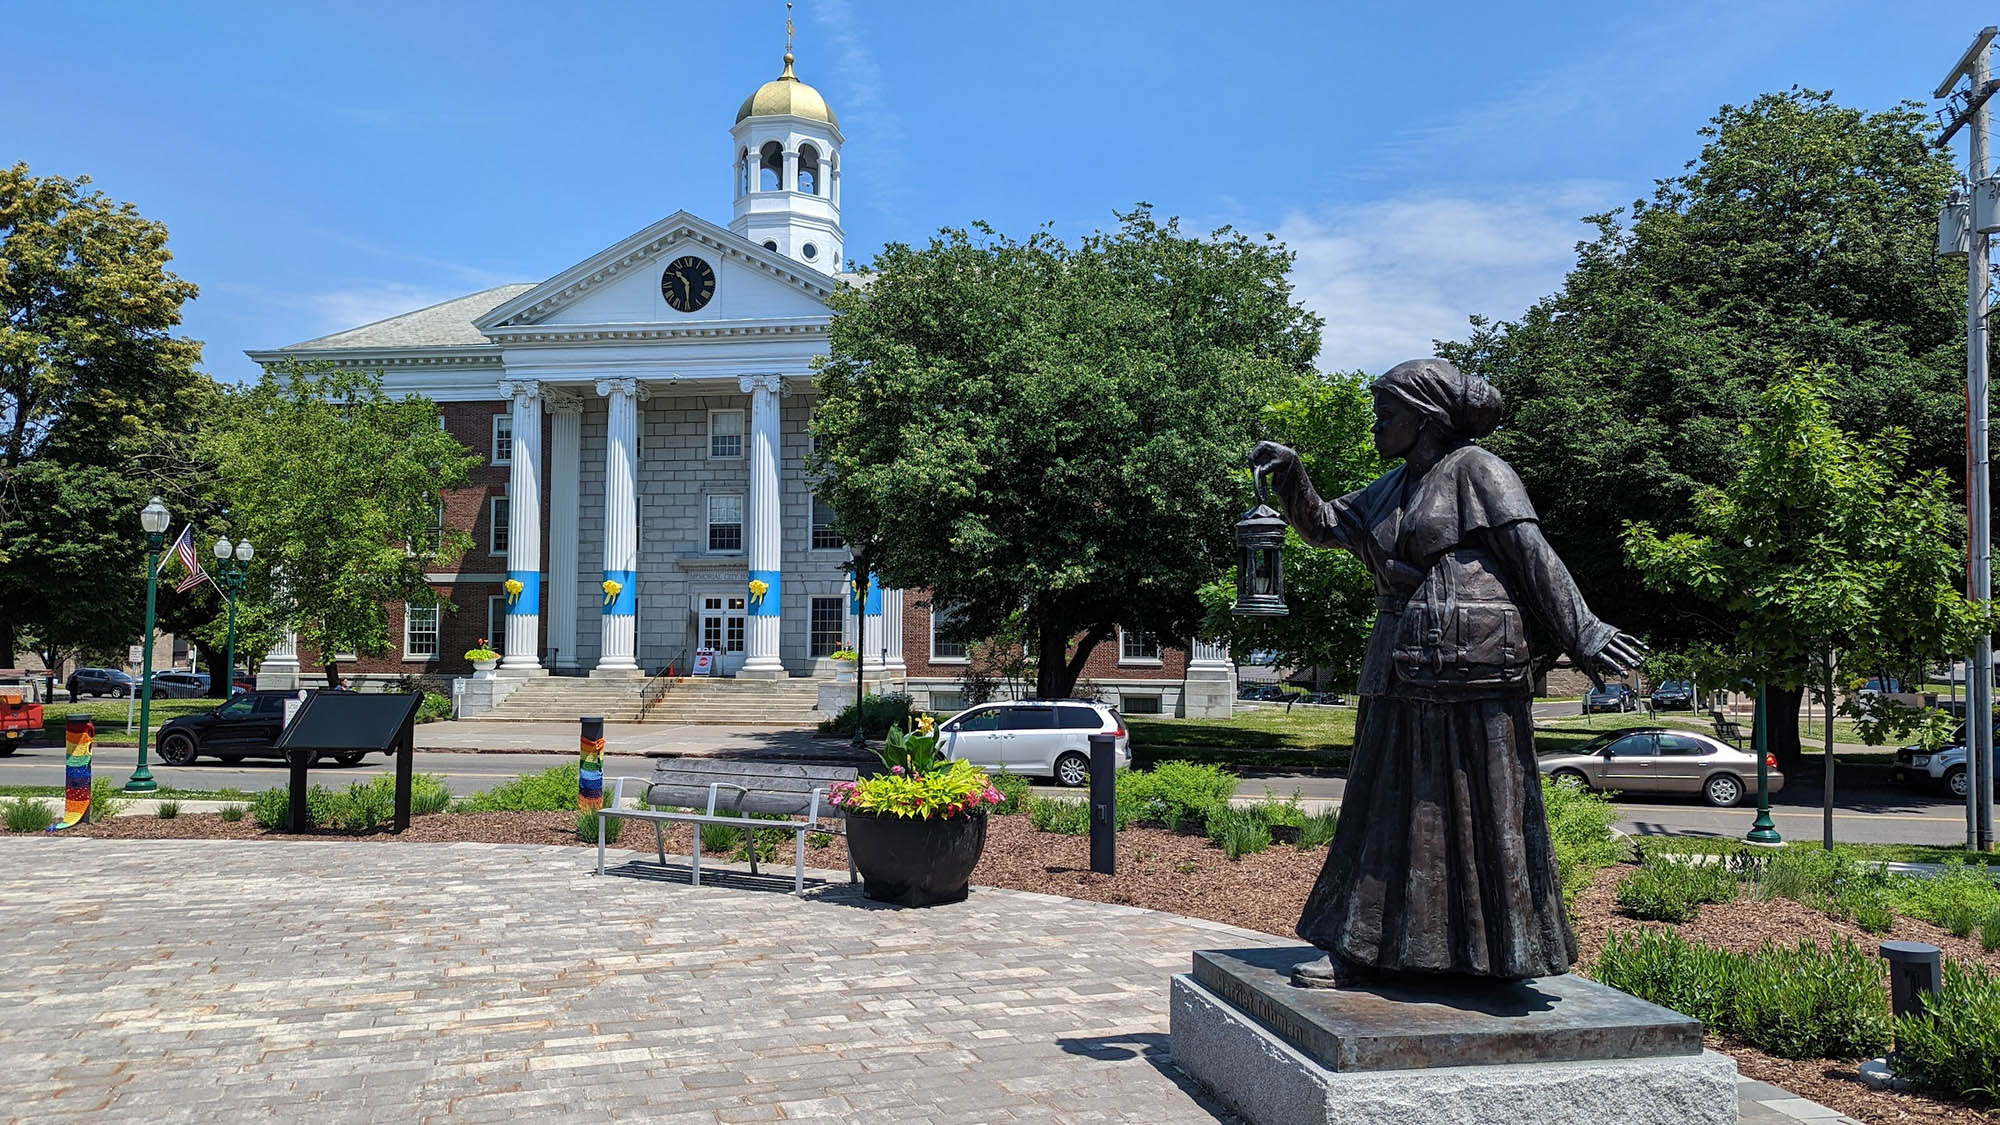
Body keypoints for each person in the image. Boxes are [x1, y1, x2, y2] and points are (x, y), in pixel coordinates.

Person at [1250, 358, 1644, 985]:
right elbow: (1325, 525)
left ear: (1424, 417)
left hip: (1469, 670)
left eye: (1386, 413)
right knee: (1381, 807)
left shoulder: (1479, 470)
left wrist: (1584, 632)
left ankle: (1501, 953)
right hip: (1399, 666)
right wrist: (1293, 472)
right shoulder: (1392, 485)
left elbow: (1532, 554)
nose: (1376, 425)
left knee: (1483, 800)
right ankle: (1362, 945)